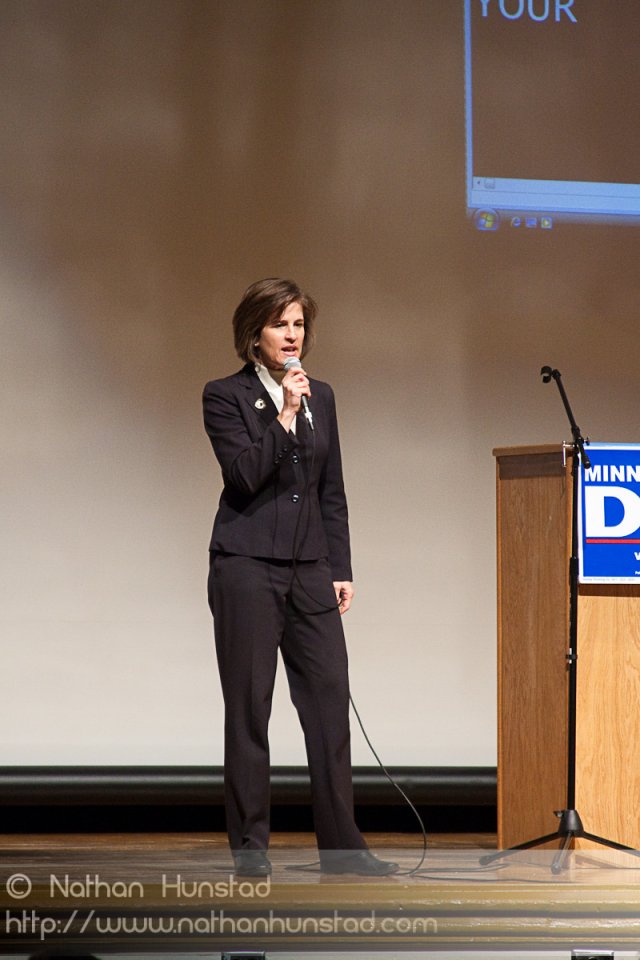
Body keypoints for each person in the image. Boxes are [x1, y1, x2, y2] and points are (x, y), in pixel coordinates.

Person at [202, 278, 398, 877]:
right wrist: (284, 414)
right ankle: (252, 851)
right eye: (280, 325)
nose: (293, 336)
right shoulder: (224, 396)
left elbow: (329, 489)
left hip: (310, 571)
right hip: (246, 569)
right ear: (253, 336)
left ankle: (343, 850)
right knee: (250, 709)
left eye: (299, 325)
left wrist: (339, 567)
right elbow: (243, 476)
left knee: (328, 708)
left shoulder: (325, 397)